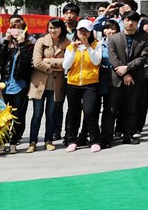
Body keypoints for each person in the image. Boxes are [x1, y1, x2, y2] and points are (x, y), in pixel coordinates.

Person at [106, 12, 148, 146]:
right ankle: (107, 137)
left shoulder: (144, 38)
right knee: (112, 109)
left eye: (134, 21)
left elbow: (143, 58)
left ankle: (128, 135)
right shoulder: (113, 38)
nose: (130, 23)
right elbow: (112, 58)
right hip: (117, 79)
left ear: (137, 23)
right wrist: (124, 74)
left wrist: (128, 69)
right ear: (123, 21)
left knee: (132, 108)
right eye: (127, 20)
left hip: (136, 78)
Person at [27, 19, 69, 153]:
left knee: (51, 113)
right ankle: (32, 142)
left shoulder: (68, 43)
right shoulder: (41, 41)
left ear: (61, 29)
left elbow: (67, 62)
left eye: (56, 28)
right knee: (37, 113)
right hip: (39, 83)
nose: (53, 31)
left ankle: (48, 140)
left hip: (56, 84)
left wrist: (50, 61)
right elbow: (37, 62)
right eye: (50, 28)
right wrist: (53, 68)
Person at [62, 20, 104, 152]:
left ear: (91, 32)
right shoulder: (70, 46)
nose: (83, 33)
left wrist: (88, 47)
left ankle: (95, 140)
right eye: (80, 31)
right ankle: (71, 140)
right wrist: (74, 50)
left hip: (90, 83)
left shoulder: (96, 45)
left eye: (86, 31)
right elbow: (65, 66)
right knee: (73, 112)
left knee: (89, 111)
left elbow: (96, 60)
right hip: (73, 84)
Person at [0, 16, 34, 154]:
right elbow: (0, 59)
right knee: (3, 116)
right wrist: (6, 41)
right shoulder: (5, 43)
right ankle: (3, 141)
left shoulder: (29, 44)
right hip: (5, 84)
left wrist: (22, 43)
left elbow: (27, 62)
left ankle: (14, 141)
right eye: (13, 26)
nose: (16, 29)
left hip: (20, 85)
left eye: (18, 26)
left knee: (18, 115)